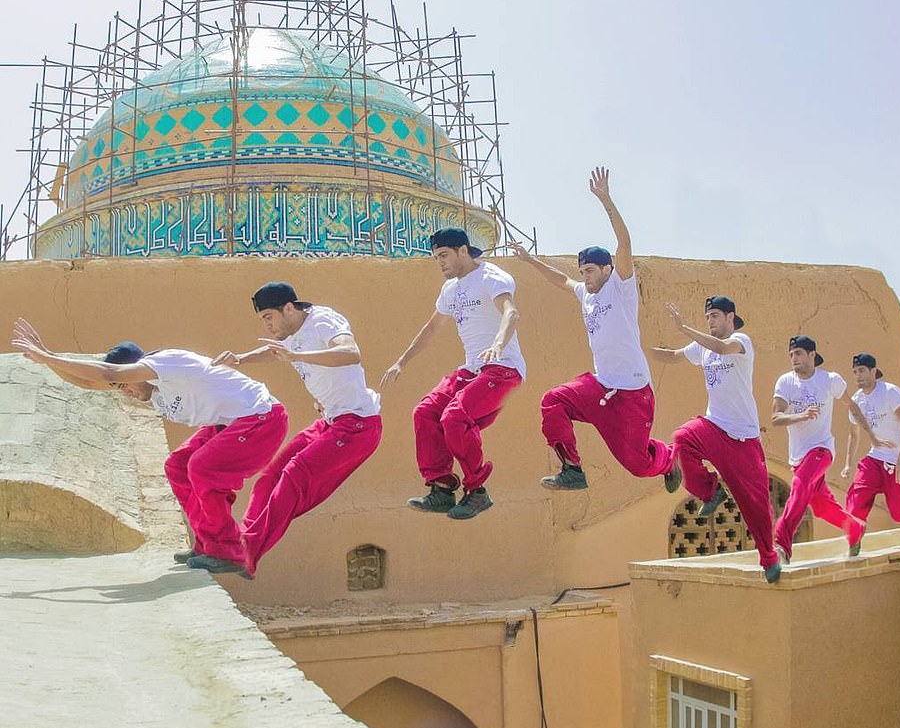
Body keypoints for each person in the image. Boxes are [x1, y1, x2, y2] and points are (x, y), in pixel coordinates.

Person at [10, 318, 287, 575]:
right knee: (178, 466)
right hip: (230, 422)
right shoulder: (150, 389)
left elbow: (108, 373)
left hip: (262, 417)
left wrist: (49, 356)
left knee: (202, 467)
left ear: (136, 369)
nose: (126, 391)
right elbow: (89, 383)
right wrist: (47, 360)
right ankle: (207, 544)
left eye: (124, 385)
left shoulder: (169, 362)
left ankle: (229, 551)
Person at [511, 166, 679, 492]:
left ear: (607, 269)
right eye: (583, 271)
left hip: (632, 394)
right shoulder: (584, 294)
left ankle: (669, 458)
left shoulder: (621, 287)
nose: (585, 277)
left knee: (638, 466)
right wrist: (529, 260)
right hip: (601, 387)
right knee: (553, 402)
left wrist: (605, 199)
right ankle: (572, 469)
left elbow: (625, 242)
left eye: (590, 271)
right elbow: (561, 280)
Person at [211, 282, 382, 578]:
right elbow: (273, 351)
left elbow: (350, 352)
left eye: (268, 317)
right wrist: (240, 359)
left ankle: (247, 552)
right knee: (270, 475)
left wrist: (298, 357)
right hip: (331, 422)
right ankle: (240, 542)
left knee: (295, 474)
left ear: (289, 308)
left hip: (358, 425)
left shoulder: (324, 320)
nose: (267, 325)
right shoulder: (291, 333)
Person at [381, 227, 523, 520]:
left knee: (454, 417)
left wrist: (498, 344)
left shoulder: (491, 277)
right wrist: (401, 362)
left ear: (463, 250)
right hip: (471, 370)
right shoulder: (451, 289)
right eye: (436, 258)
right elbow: (432, 328)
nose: (440, 262)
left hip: (503, 369)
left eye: (444, 255)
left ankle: (478, 490)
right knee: (425, 412)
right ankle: (442, 487)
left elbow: (511, 312)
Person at [651, 297, 780, 583]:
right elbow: (673, 356)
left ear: (730, 317)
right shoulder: (701, 348)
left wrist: (684, 327)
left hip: (743, 439)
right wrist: (640, 350)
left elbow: (722, 347)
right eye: (707, 316)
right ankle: (710, 491)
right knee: (682, 438)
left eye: (715, 316)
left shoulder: (740, 341)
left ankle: (769, 558)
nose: (710, 321)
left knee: (756, 507)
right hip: (714, 426)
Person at [770, 336, 888, 563]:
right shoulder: (785, 382)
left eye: (799, 353)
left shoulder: (830, 380)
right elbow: (776, 417)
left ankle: (782, 544)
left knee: (800, 484)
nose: (794, 358)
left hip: (822, 450)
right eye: (791, 354)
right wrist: (801, 415)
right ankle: (854, 528)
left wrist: (871, 434)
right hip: (798, 457)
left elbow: (851, 404)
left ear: (812, 355)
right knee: (823, 508)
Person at [842, 352, 900, 532]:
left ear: (873, 371)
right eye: (855, 372)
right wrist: (848, 464)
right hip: (875, 459)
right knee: (856, 501)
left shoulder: (890, 392)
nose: (858, 376)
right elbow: (854, 433)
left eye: (862, 371)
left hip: (898, 461)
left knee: (899, 514)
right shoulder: (857, 400)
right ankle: (855, 532)